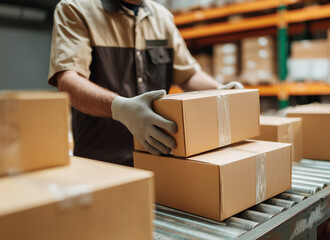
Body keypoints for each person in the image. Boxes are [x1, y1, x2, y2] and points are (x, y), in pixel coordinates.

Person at [48, 0, 243, 167]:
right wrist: (120, 108)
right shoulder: (75, 9)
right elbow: (68, 81)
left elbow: (187, 74)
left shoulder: (162, 17)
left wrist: (219, 90)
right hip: (102, 160)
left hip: (158, 156)